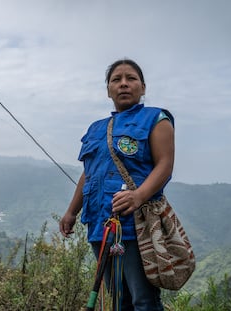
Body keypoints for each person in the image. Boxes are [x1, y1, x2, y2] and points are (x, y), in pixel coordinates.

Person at [59, 59, 175, 311]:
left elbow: (165, 166)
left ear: (143, 87)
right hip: (99, 225)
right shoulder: (96, 129)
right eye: (116, 79)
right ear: (108, 90)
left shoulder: (156, 118)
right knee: (119, 299)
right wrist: (71, 211)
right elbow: (88, 173)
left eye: (131, 78)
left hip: (136, 225)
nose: (123, 84)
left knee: (144, 300)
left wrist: (138, 196)